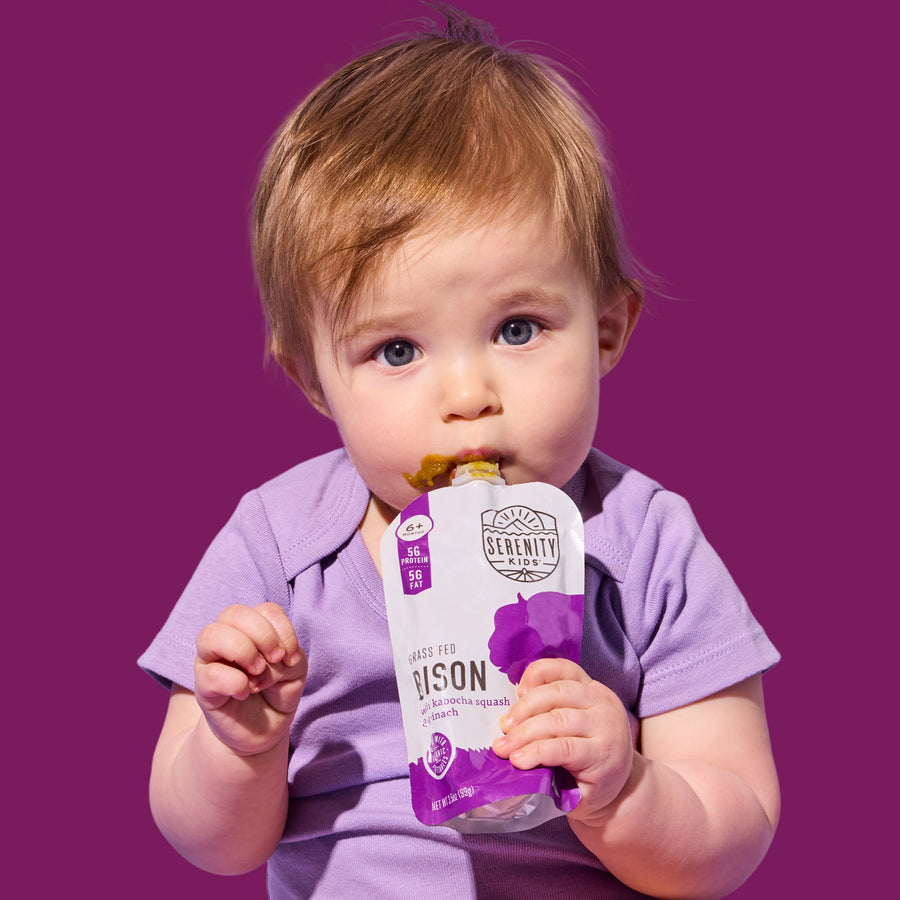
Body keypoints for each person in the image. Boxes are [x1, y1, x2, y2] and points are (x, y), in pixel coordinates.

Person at [140, 10, 780, 899]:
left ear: (606, 329)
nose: (468, 394)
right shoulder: (279, 547)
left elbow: (734, 829)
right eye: (397, 350)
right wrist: (239, 748)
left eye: (518, 328)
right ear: (315, 381)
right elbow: (212, 845)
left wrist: (627, 790)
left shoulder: (646, 545)